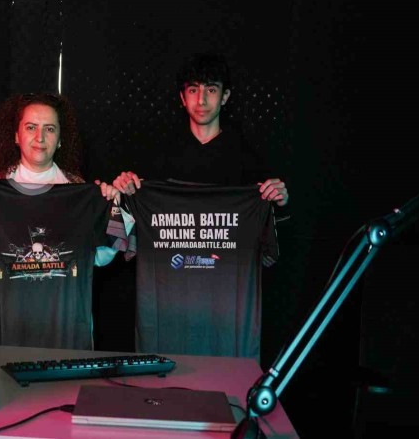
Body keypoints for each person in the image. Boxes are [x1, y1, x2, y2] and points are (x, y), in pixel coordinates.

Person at [109, 52, 291, 360]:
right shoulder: (156, 161)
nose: (202, 99)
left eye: (211, 89)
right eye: (193, 90)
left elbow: (270, 253)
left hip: (224, 317)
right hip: (170, 314)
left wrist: (280, 203)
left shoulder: (249, 164)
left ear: (225, 96)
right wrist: (121, 195)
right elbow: (118, 242)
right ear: (182, 98)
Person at [0, 92, 118, 349]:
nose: (40, 137)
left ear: (60, 139)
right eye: (31, 127)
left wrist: (111, 205)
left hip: (60, 333)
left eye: (49, 129)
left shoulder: (82, 194)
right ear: (16, 136)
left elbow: (101, 257)